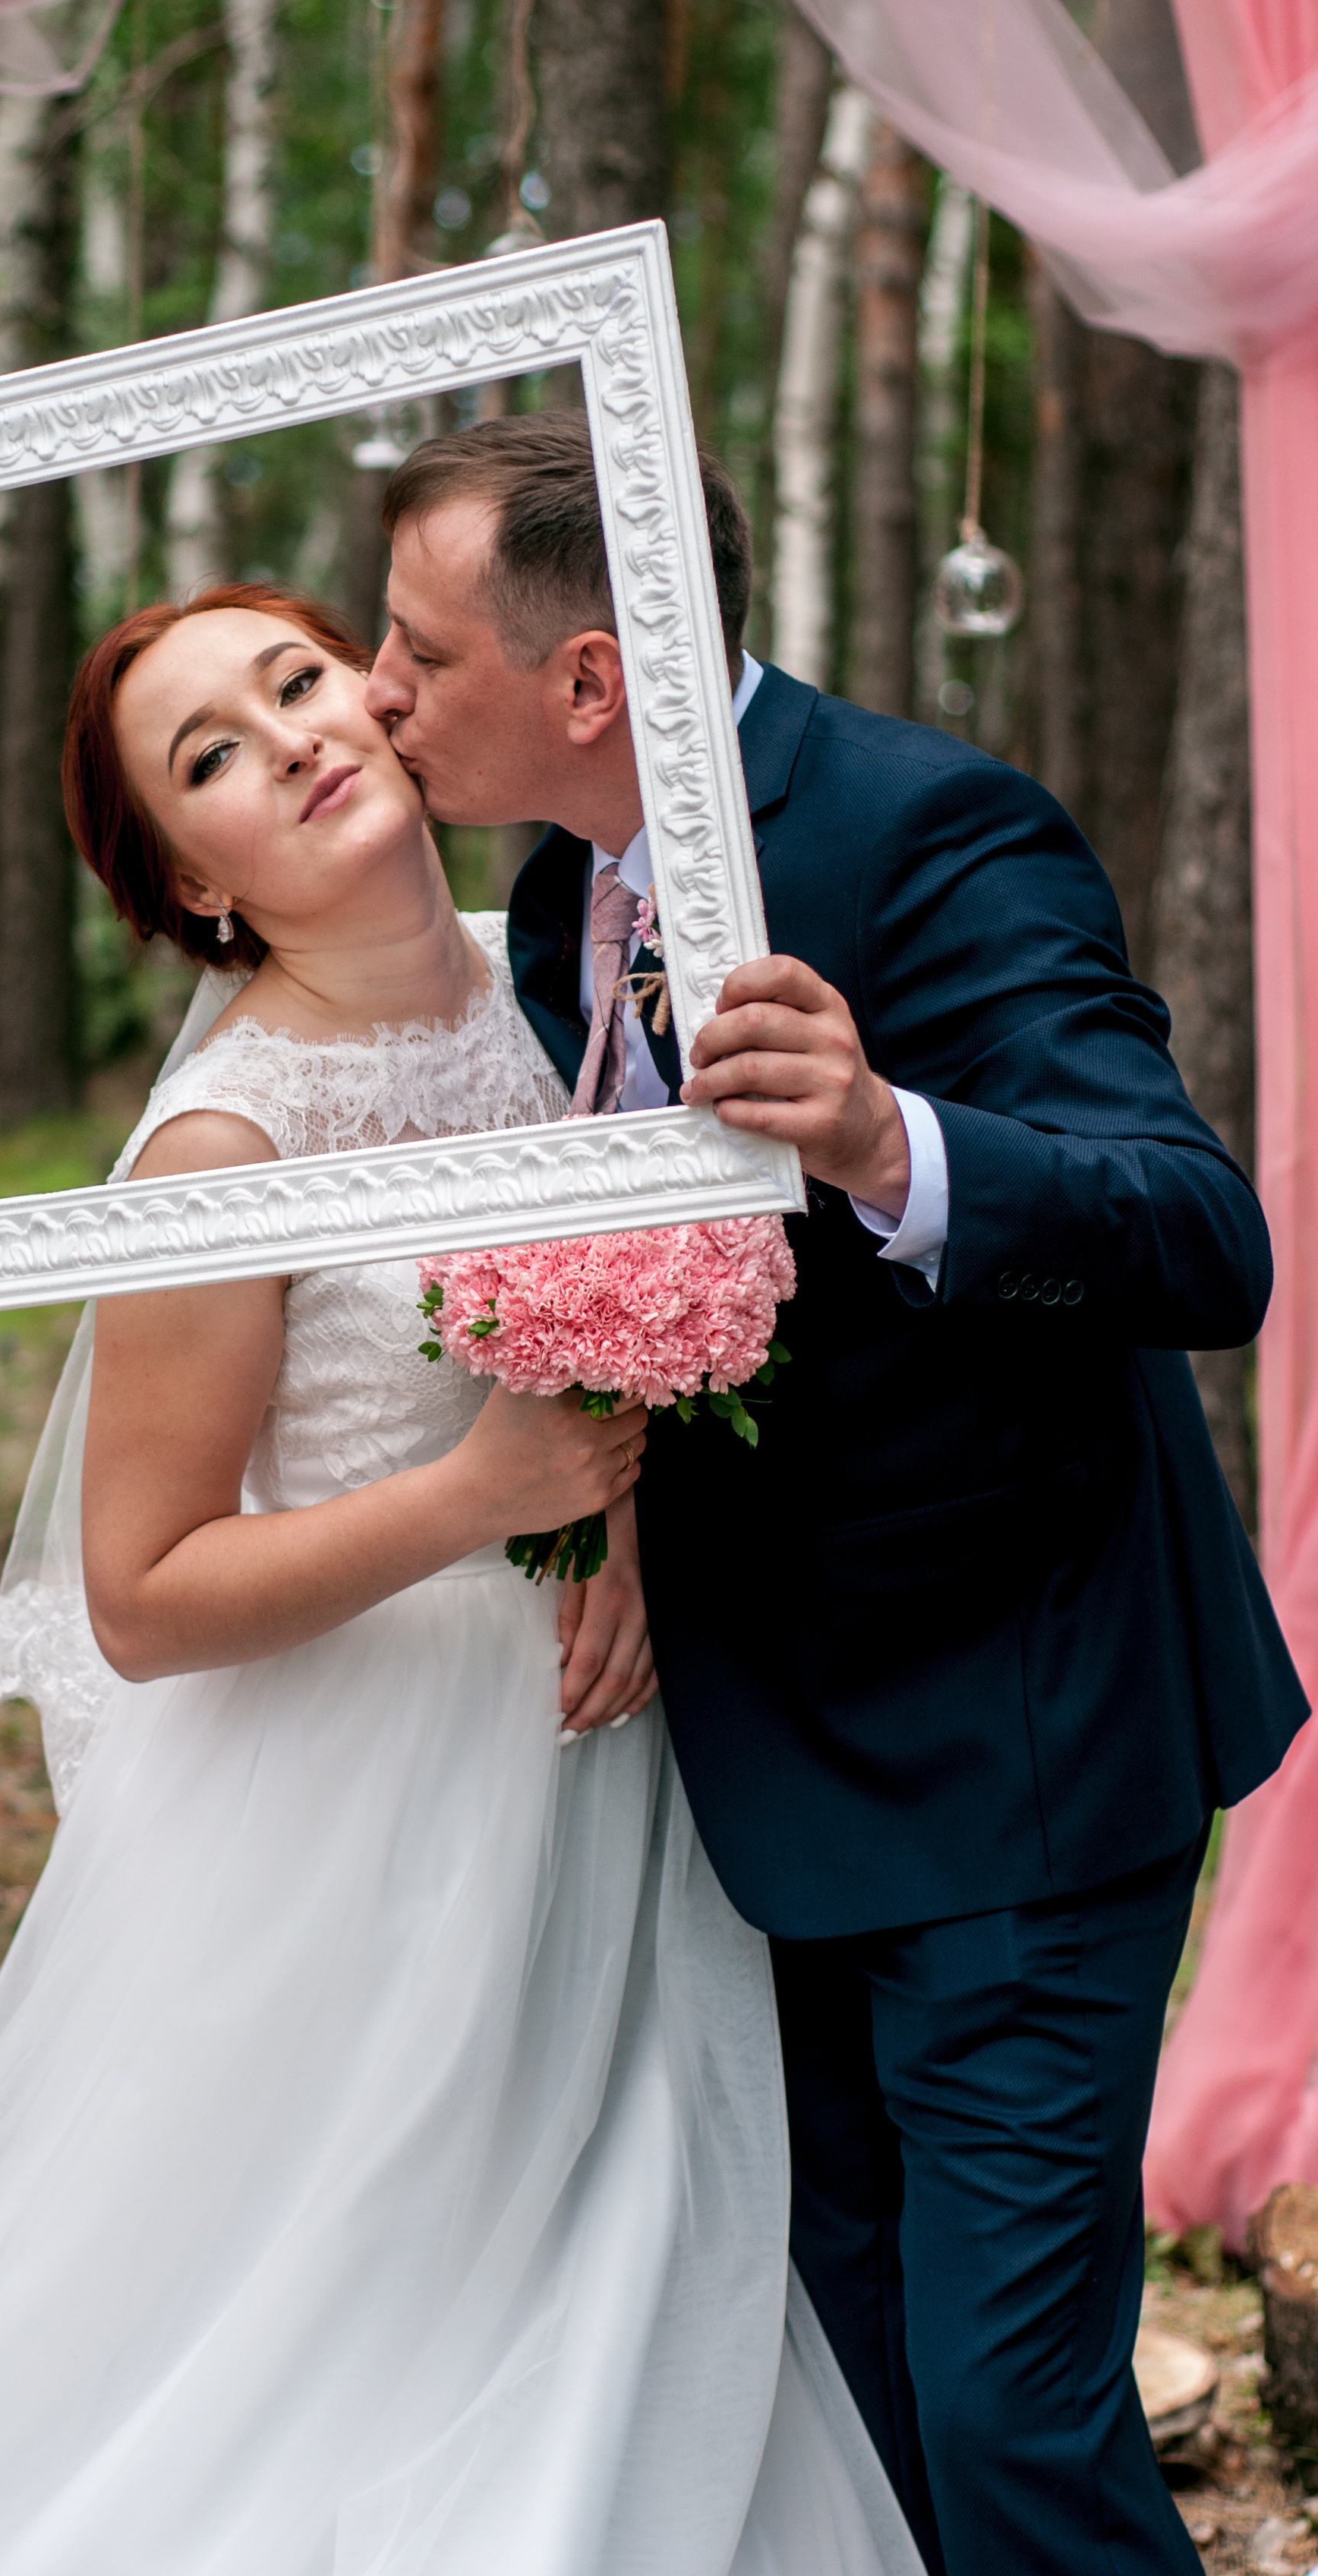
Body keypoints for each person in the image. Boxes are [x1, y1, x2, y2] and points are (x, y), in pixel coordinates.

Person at [0, 585, 921, 2576]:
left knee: (623, 2276)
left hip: (595, 1761)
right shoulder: (221, 1143)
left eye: (298, 681)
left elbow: (624, 1336)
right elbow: (136, 1591)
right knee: (339, 2341)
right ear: (186, 882)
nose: (291, 739)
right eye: (209, 756)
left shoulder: (554, 978)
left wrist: (622, 1531)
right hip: (352, 1813)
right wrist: (483, 1497)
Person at [364, 409, 1307, 2576]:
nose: (380, 691)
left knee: (1003, 2419)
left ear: (586, 680)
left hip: (1014, 1733)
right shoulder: (549, 904)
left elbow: (1197, 1243)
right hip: (758, 1756)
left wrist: (891, 1143)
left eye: (416, 651)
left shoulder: (923, 829)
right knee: (844, 2371)